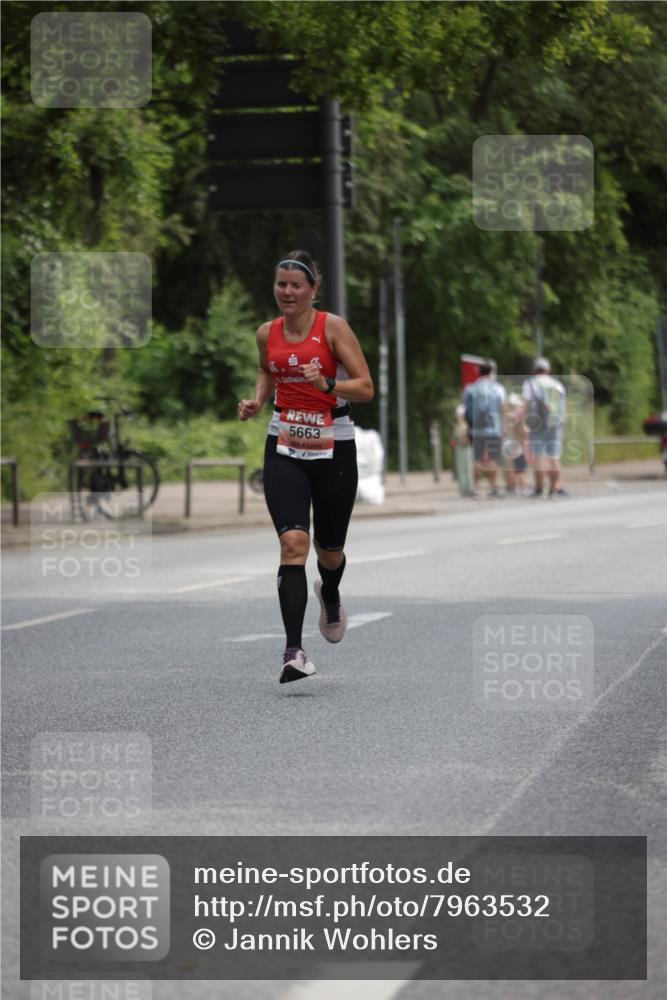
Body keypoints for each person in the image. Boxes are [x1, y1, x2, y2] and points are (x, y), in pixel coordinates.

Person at [237, 250, 374, 684]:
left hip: (334, 445)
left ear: (313, 289)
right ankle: (294, 652)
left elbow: (366, 388)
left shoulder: (332, 328)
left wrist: (327, 383)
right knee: (293, 543)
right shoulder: (266, 332)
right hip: (285, 445)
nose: (287, 292)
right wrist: (258, 399)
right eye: (281, 284)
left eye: (296, 285)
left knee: (328, 552)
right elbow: (266, 367)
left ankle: (329, 593)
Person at [522, 357, 568, 497]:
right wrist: (562, 426)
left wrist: (523, 423)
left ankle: (539, 488)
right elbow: (563, 408)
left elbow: (526, 405)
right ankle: (554, 489)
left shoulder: (530, 384)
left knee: (538, 457)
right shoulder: (558, 385)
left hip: (537, 425)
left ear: (534, 370)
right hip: (555, 424)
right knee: (554, 457)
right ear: (548, 369)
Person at [463, 360, 506, 497]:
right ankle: (493, 489)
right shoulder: (498, 388)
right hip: (493, 428)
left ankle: (475, 489)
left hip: (476, 429)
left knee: (477, 459)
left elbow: (465, 409)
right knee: (493, 459)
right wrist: (503, 426)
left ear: (479, 372)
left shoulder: (470, 388)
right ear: (491, 372)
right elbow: (502, 408)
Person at [502, 393, 528, 495]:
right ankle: (521, 488)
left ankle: (510, 487)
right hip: (516, 443)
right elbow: (523, 431)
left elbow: (503, 431)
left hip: (507, 442)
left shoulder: (506, 416)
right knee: (520, 468)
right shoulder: (518, 417)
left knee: (509, 465)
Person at [451, 404, 474, 497]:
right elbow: (456, 438)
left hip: (467, 448)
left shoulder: (467, 425)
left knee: (468, 468)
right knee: (462, 469)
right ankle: (464, 489)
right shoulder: (458, 426)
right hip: (461, 449)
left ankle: (469, 488)